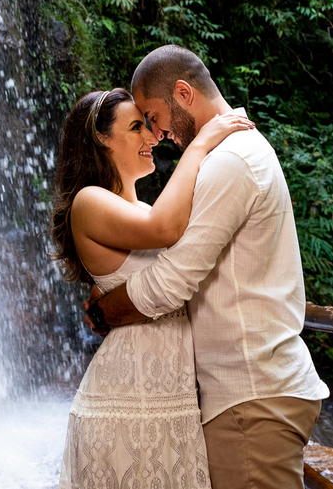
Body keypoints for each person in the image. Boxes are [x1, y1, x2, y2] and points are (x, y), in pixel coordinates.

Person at [86, 45, 329, 489]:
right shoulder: (227, 156)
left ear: (183, 93)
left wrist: (106, 310)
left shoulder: (230, 161)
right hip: (246, 394)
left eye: (153, 118)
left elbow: (172, 281)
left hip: (252, 394)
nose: (157, 135)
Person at [51, 86, 255, 489]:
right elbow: (165, 229)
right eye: (135, 128)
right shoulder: (88, 202)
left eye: (148, 126)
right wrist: (199, 146)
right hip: (127, 401)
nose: (151, 138)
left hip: (170, 401)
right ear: (101, 140)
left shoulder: (142, 208)